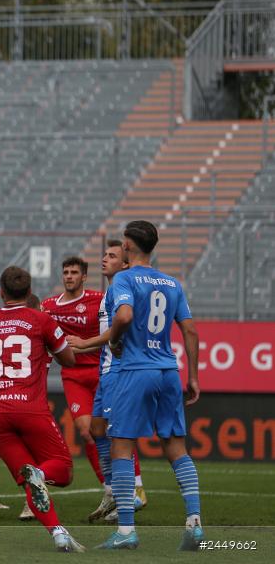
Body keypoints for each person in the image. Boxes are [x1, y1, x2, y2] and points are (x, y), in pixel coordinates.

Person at [0, 266, 85, 552]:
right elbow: (69, 360)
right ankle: (38, 475)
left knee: (28, 476)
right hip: (28, 407)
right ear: (29, 292)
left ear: (1, 293)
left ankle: (58, 532)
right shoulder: (41, 320)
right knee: (61, 471)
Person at [98, 221, 202, 551]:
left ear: (127, 246)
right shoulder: (172, 283)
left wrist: (114, 342)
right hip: (168, 370)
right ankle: (195, 524)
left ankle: (127, 531)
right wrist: (194, 376)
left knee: (122, 447)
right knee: (176, 447)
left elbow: (125, 317)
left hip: (135, 370)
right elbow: (190, 331)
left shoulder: (124, 278)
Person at [66, 240, 146, 522]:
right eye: (104, 254)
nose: (104, 259)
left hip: (119, 373)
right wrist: (78, 347)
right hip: (105, 371)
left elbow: (121, 329)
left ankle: (133, 491)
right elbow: (109, 339)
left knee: (116, 434)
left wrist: (86, 342)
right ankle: (113, 492)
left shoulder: (124, 289)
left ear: (124, 264)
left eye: (112, 256)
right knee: (96, 430)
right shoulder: (108, 294)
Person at [41, 257, 106, 487]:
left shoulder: (99, 300)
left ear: (84, 277)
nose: (69, 276)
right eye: (66, 272)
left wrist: (86, 343)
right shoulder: (48, 306)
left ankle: (133, 485)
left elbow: (114, 331)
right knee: (86, 431)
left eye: (74, 272)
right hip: (73, 375)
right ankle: (108, 489)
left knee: (112, 431)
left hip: (100, 372)